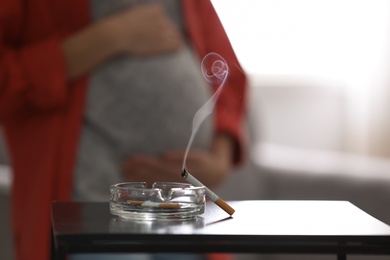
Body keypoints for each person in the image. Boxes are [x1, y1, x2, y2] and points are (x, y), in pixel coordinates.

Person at [0, 0, 247, 260]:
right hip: (87, 204)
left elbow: (225, 69)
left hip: (185, 209)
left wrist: (219, 158)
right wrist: (107, 38)